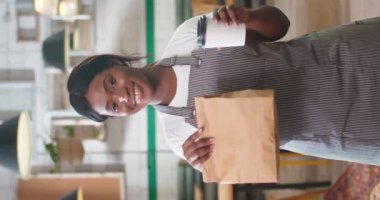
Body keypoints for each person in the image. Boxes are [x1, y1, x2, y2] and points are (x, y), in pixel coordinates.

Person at [67, 5, 380, 171]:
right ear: (118, 116)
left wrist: (251, 18)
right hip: (343, 125)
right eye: (113, 106)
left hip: (342, 56)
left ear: (115, 62)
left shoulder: (190, 37)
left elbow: (279, 26)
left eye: (111, 82)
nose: (122, 96)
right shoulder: (181, 138)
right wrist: (215, 164)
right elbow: (259, 156)